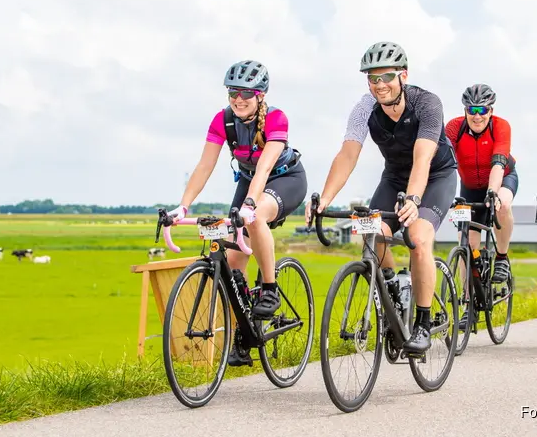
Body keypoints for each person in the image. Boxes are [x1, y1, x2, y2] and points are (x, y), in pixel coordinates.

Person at [305, 41, 458, 355]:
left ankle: (423, 323)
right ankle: (393, 288)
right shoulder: (364, 108)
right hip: (394, 177)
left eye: (386, 76)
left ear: (403, 74)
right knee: (370, 232)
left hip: (434, 175)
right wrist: (324, 199)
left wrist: (414, 200)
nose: (380, 85)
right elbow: (348, 154)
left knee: (417, 236)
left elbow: (423, 157)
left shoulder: (427, 104)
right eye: (372, 79)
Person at [168, 60, 307, 366]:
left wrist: (250, 206)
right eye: (233, 92)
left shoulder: (276, 118)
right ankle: (246, 332)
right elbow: (205, 166)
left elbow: (266, 166)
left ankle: (269, 289)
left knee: (254, 221)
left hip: (284, 179)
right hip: (247, 181)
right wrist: (183, 206)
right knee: (233, 262)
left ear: (260, 95)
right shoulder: (223, 120)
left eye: (246, 92)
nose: (238, 98)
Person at [445, 83, 518, 331]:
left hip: (502, 178)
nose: (477, 115)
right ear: (465, 110)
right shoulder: (454, 128)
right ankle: (469, 305)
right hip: (469, 187)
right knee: (466, 244)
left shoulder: (500, 126)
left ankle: (502, 257)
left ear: (491, 110)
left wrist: (493, 192)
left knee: (502, 205)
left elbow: (499, 164)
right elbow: (443, 162)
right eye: (471, 109)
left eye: (483, 110)